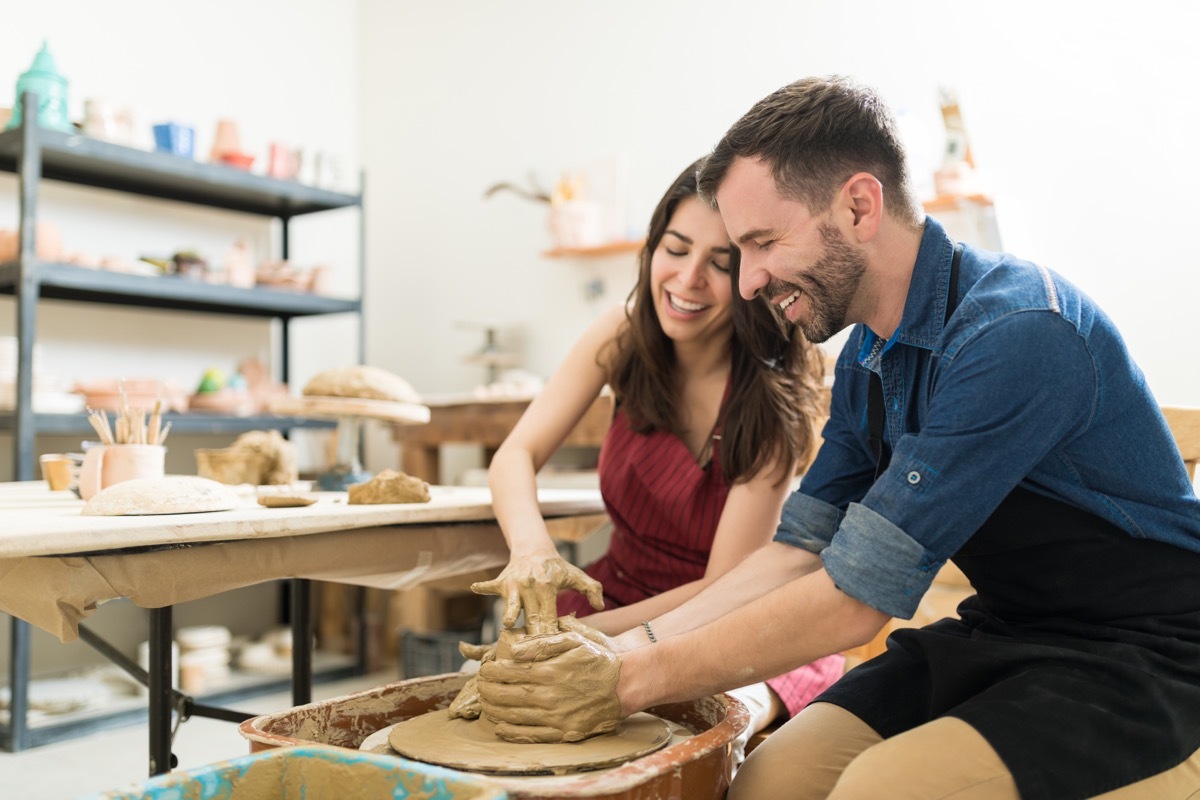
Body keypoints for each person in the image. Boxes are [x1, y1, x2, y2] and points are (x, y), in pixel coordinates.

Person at [476, 76, 1200, 800]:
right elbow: (796, 555)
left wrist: (627, 680)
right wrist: (612, 644)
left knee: (877, 790)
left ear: (858, 205)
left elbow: (859, 600)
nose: (749, 281)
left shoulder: (1017, 332)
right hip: (1008, 632)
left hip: (1148, 656)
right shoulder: (867, 358)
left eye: (761, 243)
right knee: (768, 781)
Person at [464, 157, 845, 749]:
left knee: (688, 740)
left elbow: (723, 588)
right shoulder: (622, 337)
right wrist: (533, 551)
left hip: (720, 622)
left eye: (720, 263)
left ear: (751, 279)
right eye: (675, 247)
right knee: (492, 705)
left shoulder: (771, 406)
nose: (688, 279)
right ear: (651, 250)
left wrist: (580, 635)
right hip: (614, 596)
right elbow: (516, 454)